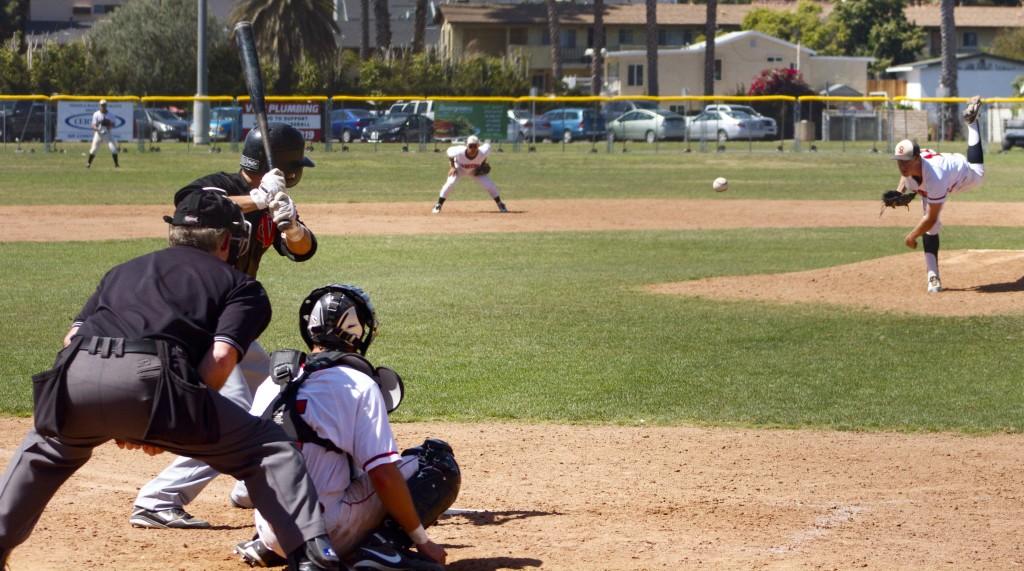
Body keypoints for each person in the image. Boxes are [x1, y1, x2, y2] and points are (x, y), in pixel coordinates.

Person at [0, 192, 339, 570]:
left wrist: (124, 414)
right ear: (228, 241)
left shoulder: (123, 270)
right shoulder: (241, 286)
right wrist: (169, 416)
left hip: (73, 376)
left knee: (45, 451)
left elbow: (71, 338)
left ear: (173, 234)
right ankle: (313, 558)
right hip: (151, 381)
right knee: (271, 451)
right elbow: (222, 358)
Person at [130, 122, 319, 530]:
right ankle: (158, 499)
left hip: (232, 322)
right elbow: (190, 205)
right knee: (228, 409)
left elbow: (303, 250)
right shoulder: (220, 187)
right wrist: (257, 198)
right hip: (198, 316)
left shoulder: (276, 198)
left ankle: (252, 485)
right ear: (287, 167)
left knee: (277, 396)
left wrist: (290, 223)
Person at [231, 284, 460, 571]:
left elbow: (242, 481)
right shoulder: (358, 385)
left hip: (271, 529)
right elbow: (383, 475)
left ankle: (268, 548)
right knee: (435, 461)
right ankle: (382, 549)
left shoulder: (272, 382)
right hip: (330, 531)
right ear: (355, 330)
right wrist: (422, 540)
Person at [894, 95, 985, 293]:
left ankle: (972, 123)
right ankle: (933, 276)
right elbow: (906, 176)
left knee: (978, 173)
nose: (902, 165)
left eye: (906, 161)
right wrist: (898, 191)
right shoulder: (909, 167)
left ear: (917, 158)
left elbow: (930, 217)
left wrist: (911, 236)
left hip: (960, 175)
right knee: (932, 229)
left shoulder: (935, 175)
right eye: (899, 161)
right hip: (935, 182)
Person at [431, 134, 508, 214]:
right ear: (467, 146)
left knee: (489, 185)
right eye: (471, 146)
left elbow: (486, 151)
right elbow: (450, 154)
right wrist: (453, 167)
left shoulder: (483, 151)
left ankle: (500, 204)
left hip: (475, 170)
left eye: (475, 146)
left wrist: (482, 163)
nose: (473, 148)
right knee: (450, 183)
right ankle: (438, 204)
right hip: (459, 169)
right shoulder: (459, 151)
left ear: (478, 146)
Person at [87, 99, 119, 169]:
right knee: (93, 149)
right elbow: (93, 125)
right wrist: (97, 128)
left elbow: (114, 125)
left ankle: (116, 164)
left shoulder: (111, 115)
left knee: (113, 149)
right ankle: (88, 163)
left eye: (104, 105)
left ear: (106, 105)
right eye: (102, 105)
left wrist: (109, 124)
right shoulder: (96, 114)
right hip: (98, 134)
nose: (103, 106)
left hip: (108, 133)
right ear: (99, 106)